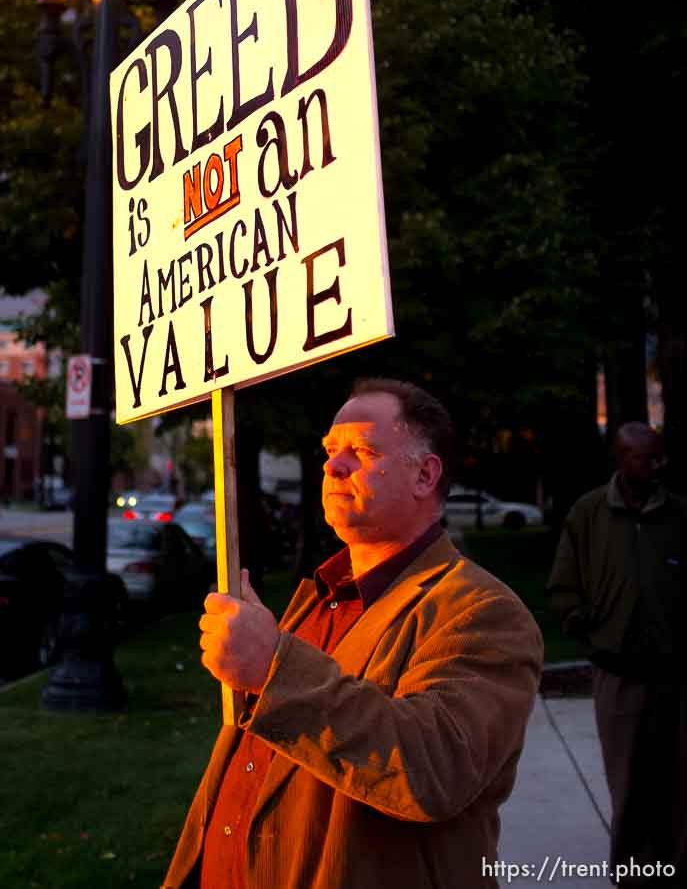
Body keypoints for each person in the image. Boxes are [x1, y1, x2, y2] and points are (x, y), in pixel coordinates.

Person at [162, 378, 543, 889]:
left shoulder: (482, 610)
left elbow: (434, 768)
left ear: (425, 475)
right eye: (329, 450)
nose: (333, 466)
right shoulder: (318, 596)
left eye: (361, 450)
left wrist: (273, 668)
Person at [548, 422, 687, 885]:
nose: (657, 466)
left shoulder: (678, 515)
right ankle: (632, 871)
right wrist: (586, 624)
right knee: (628, 780)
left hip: (673, 674)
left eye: (659, 456)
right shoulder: (589, 513)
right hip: (617, 672)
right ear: (623, 460)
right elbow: (564, 584)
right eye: (647, 458)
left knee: (676, 780)